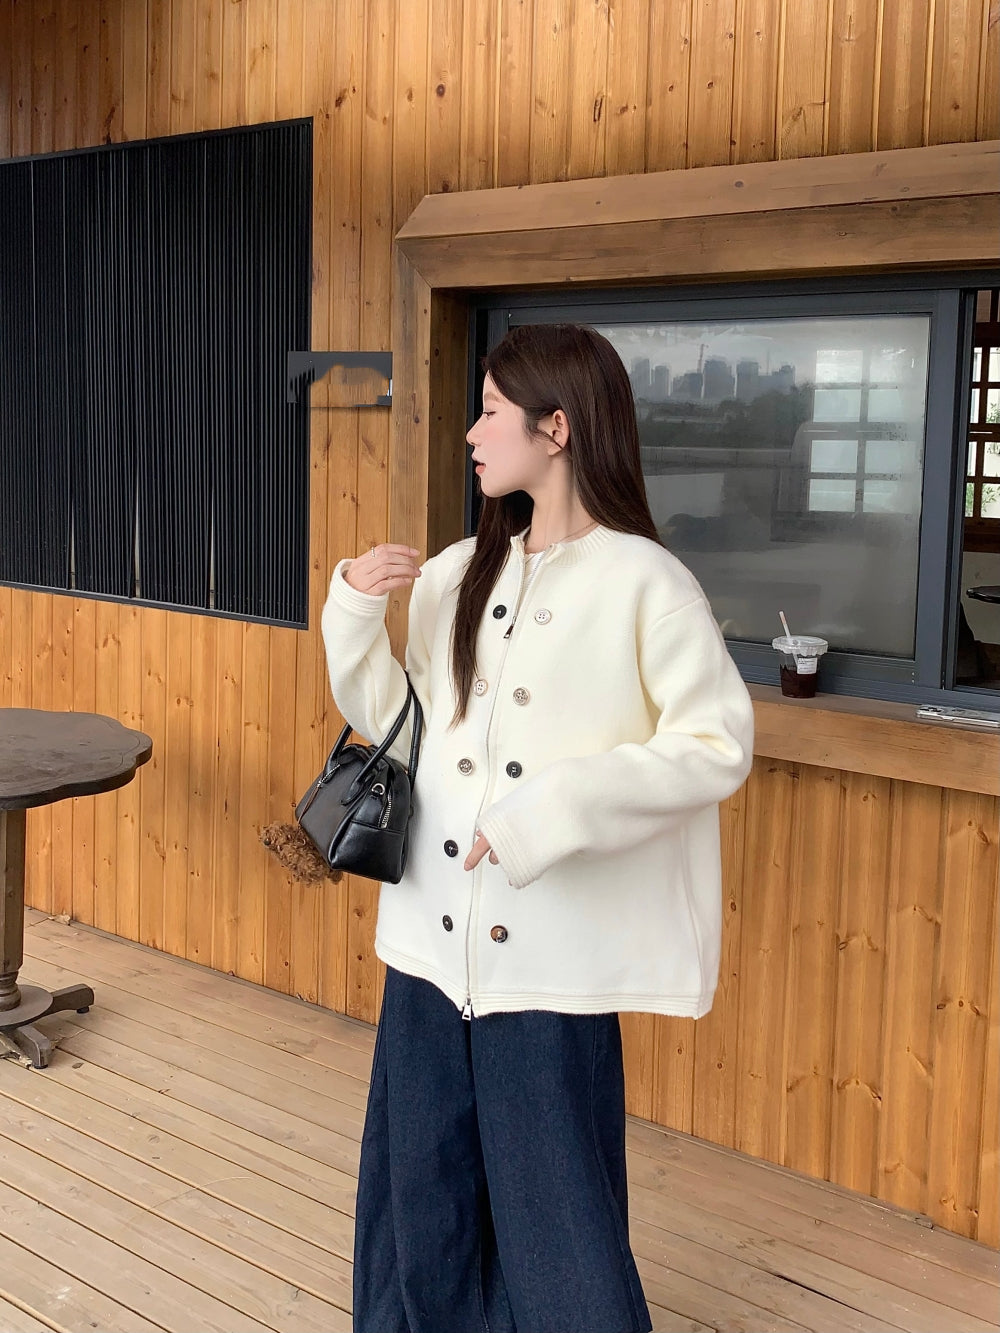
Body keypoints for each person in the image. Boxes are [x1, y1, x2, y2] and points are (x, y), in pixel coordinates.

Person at [321, 323, 755, 1333]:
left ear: (556, 427)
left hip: (551, 963)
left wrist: (552, 810)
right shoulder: (457, 571)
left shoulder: (647, 582)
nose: (472, 433)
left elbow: (715, 743)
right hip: (429, 947)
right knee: (419, 1196)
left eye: (489, 412)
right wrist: (351, 615)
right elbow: (400, 723)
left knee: (558, 1218)